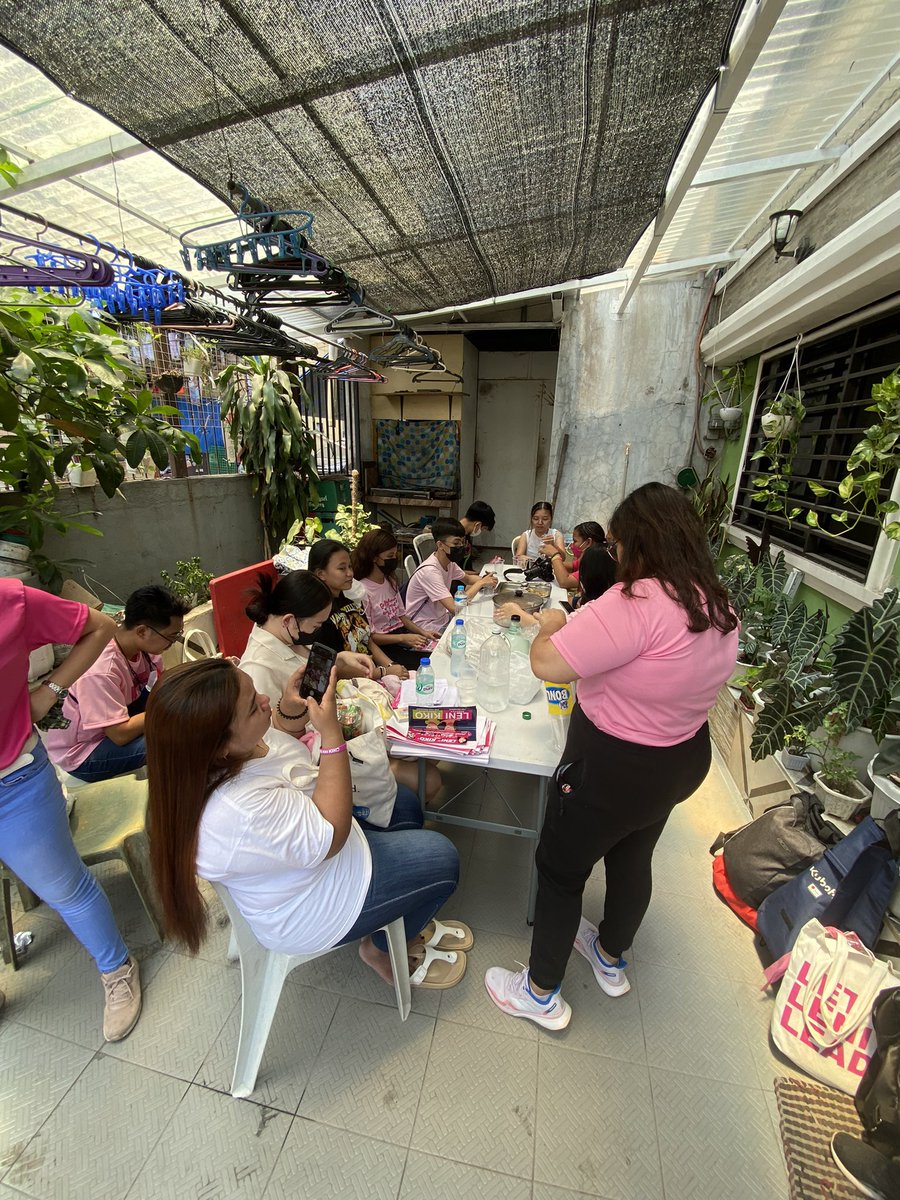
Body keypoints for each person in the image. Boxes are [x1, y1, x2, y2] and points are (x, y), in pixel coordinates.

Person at [485, 482, 740, 1030]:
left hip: (612, 765)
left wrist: (549, 624)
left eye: (620, 543)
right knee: (632, 855)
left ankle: (540, 992)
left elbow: (549, 665)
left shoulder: (637, 602)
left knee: (559, 868)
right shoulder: (717, 605)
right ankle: (609, 955)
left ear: (640, 544)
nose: (615, 555)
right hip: (680, 763)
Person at [145, 659, 470, 988]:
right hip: (312, 904)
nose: (263, 700)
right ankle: (379, 949)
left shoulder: (225, 752)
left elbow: (279, 746)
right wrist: (331, 734)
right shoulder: (237, 810)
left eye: (255, 691)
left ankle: (398, 914)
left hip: (315, 850)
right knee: (444, 859)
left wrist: (287, 708)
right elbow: (333, 836)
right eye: (252, 706)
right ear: (220, 747)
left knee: (404, 802)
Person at [0, 578, 142, 1041]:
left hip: (13, 782)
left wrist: (51, 691)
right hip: (73, 758)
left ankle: (116, 968)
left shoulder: (9, 601)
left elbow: (97, 627)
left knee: (66, 886)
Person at [240, 569, 441, 803]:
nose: (317, 632)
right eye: (316, 625)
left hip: (344, 725)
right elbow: (272, 743)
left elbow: (311, 669)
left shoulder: (286, 636)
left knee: (426, 753)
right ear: (289, 620)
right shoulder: (258, 668)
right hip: (318, 754)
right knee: (429, 779)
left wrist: (342, 658)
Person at [46, 584, 189, 783]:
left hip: (118, 715)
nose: (173, 642)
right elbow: (119, 735)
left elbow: (162, 684)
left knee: (185, 711)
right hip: (84, 751)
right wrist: (167, 712)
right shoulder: (101, 670)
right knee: (175, 741)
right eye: (172, 636)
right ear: (142, 631)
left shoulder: (145, 648)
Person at [308, 540, 409, 681]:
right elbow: (331, 668)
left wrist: (392, 665)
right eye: (342, 569)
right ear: (321, 574)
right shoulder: (319, 617)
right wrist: (383, 672)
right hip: (353, 683)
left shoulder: (351, 599)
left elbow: (367, 641)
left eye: (350, 566)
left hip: (374, 673)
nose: (350, 573)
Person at [352, 528, 436, 671]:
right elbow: (371, 637)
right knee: (428, 665)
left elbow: (401, 616)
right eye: (390, 555)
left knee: (437, 654)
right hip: (385, 648)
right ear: (374, 557)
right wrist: (404, 638)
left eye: (395, 554)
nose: (394, 559)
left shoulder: (390, 580)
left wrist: (423, 633)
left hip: (401, 638)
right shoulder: (363, 591)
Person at [404, 518, 498, 635]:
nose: (461, 547)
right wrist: (481, 583)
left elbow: (468, 579)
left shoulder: (449, 563)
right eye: (456, 543)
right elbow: (454, 607)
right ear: (440, 545)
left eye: (462, 542)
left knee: (480, 624)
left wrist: (488, 580)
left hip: (441, 618)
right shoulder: (430, 571)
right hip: (424, 627)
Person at [495, 543, 617, 628]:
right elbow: (577, 601)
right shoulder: (603, 595)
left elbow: (559, 632)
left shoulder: (596, 612)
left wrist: (518, 614)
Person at [540, 521, 606, 591]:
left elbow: (565, 581)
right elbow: (572, 566)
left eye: (575, 541)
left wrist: (554, 555)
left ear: (589, 542)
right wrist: (549, 562)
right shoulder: (585, 559)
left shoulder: (596, 564)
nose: (571, 546)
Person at [459, 500, 496, 572]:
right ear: (478, 524)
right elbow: (455, 572)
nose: (481, 532)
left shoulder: (466, 535)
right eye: (483, 529)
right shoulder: (455, 538)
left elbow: (467, 568)